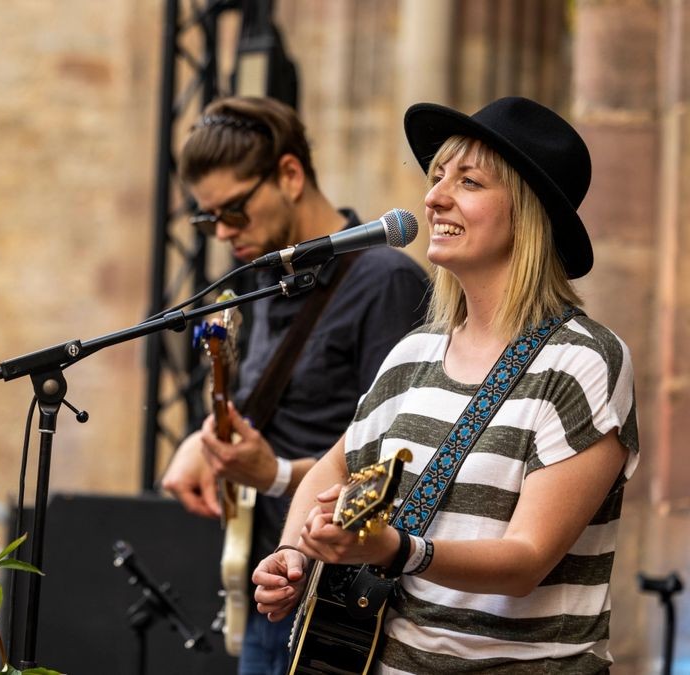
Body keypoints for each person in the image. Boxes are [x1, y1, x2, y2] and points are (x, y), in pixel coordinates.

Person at [252, 96, 639, 673]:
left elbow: (526, 560)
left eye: (469, 181)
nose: (433, 197)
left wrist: (398, 549)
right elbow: (334, 470)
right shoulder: (415, 354)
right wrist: (292, 552)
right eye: (436, 178)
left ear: (528, 211)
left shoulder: (584, 361)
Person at [159, 96, 429, 674]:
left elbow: (401, 465)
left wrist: (276, 474)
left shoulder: (386, 281)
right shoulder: (267, 282)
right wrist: (204, 442)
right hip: (268, 586)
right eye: (209, 221)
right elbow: (270, 410)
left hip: (340, 607)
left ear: (290, 174)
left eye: (234, 210)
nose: (225, 232)